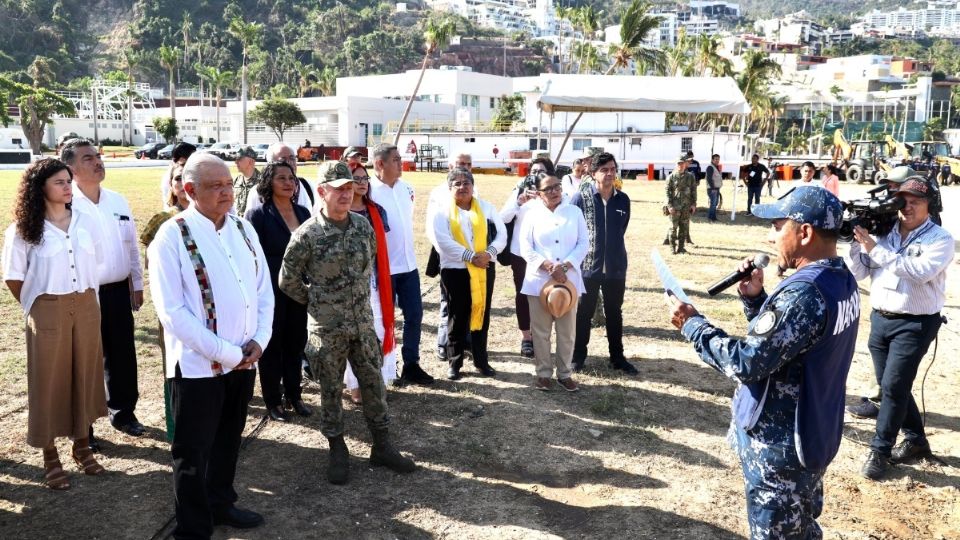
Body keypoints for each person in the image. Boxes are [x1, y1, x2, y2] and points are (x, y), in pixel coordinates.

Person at [667, 185, 860, 539]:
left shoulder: (804, 293)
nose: (771, 237)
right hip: (813, 433)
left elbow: (747, 362)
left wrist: (694, 326)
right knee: (800, 527)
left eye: (777, 226)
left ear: (804, 232)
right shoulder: (839, 278)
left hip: (782, 447)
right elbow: (795, 343)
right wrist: (757, 300)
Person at [148, 153, 274, 538]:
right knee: (192, 450)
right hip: (199, 368)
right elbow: (173, 313)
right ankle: (193, 525)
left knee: (227, 439)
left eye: (228, 184)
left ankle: (221, 502)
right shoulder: (171, 237)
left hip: (245, 359)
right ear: (189, 190)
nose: (226, 192)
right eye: (215, 186)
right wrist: (228, 353)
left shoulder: (241, 228)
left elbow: (262, 289)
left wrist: (258, 340)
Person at [280, 161, 417, 485]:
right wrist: (318, 302)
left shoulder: (362, 227)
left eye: (349, 187)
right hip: (327, 331)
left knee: (374, 386)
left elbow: (369, 266)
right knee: (330, 391)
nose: (346, 193)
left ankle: (382, 445)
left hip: (362, 326)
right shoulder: (307, 235)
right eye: (338, 188)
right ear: (322, 191)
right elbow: (288, 280)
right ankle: (337, 448)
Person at [2, 158, 107, 490]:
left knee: (85, 375)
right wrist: (38, 305)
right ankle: (49, 454)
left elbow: (98, 262)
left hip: (87, 304)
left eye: (68, 181)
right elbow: (14, 278)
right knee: (48, 380)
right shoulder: (22, 230)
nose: (67, 187)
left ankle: (82, 444)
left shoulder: (85, 221)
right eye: (59, 182)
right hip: (48, 307)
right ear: (40, 188)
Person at [846, 177, 955, 480]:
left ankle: (880, 450)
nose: (906, 207)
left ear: (929, 205)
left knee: (892, 387)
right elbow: (859, 272)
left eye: (915, 202)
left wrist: (872, 247)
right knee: (893, 383)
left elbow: (917, 273)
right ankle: (917, 441)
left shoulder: (940, 239)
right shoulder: (884, 233)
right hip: (880, 318)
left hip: (916, 323)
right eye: (902, 201)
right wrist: (856, 246)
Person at [62, 138, 145, 445]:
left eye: (98, 156)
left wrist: (136, 284)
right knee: (85, 360)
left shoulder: (118, 200)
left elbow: (131, 247)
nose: (98, 161)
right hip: (83, 295)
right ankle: (83, 427)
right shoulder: (66, 205)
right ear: (70, 168)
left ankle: (124, 413)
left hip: (118, 292)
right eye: (88, 158)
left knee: (122, 355)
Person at [244, 161, 312, 422]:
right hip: (270, 290)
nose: (288, 182)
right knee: (272, 346)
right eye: (281, 178)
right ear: (268, 183)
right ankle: (273, 401)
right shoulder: (258, 215)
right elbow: (253, 257)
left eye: (292, 178)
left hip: (299, 290)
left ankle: (294, 396)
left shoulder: (304, 213)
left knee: (296, 343)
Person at [368, 143, 434, 385]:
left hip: (408, 266)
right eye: (395, 159)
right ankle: (386, 367)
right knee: (385, 320)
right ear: (379, 164)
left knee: (414, 315)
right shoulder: (369, 191)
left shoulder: (407, 188)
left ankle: (411, 364)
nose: (401, 163)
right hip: (383, 268)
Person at [432, 168, 506, 380]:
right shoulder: (442, 211)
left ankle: (481, 361)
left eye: (467, 183)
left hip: (484, 268)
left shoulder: (486, 207)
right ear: (449, 188)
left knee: (481, 313)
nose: (463, 187)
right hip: (455, 270)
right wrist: (470, 256)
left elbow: (502, 234)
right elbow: (443, 241)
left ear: (473, 186)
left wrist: (489, 253)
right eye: (457, 183)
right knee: (457, 315)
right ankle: (454, 363)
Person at [520, 172, 588, 392]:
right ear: (539, 193)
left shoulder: (574, 212)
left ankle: (565, 373)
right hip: (539, 280)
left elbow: (583, 244)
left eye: (557, 186)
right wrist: (548, 266)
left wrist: (565, 266)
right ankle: (543, 373)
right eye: (548, 188)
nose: (554, 191)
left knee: (567, 331)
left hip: (569, 281)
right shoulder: (531, 214)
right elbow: (525, 246)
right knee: (540, 331)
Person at [570, 153, 636, 375]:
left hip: (616, 268)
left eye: (612, 169)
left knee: (614, 313)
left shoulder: (623, 199)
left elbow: (621, 229)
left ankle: (617, 357)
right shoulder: (581, 198)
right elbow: (574, 232)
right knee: (584, 314)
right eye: (604, 170)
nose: (609, 174)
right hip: (589, 267)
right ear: (593, 173)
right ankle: (577, 357)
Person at [141, 163, 190, 442]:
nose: (183, 183)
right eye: (178, 178)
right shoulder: (161, 220)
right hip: (172, 304)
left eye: (187, 177)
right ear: (171, 185)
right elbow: (151, 260)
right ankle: (177, 430)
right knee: (173, 364)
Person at [344, 163, 397, 404]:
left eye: (365, 178)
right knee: (353, 334)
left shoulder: (377, 211)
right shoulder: (339, 212)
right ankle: (355, 386)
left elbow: (381, 249)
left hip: (376, 280)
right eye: (356, 179)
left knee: (378, 329)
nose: (362, 182)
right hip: (349, 284)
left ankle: (377, 382)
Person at [500, 158, 553, 359]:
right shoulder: (520, 189)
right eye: (533, 171)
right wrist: (518, 201)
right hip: (521, 253)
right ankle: (527, 338)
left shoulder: (554, 191)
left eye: (542, 171)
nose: (536, 175)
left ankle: (543, 337)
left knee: (547, 295)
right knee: (523, 295)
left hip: (546, 254)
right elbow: (502, 217)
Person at [426, 154, 474, 361]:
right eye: (460, 164)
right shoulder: (439, 192)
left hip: (473, 259)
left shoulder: (473, 187)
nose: (464, 167)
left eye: (468, 164)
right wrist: (443, 252)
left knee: (470, 302)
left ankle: (466, 342)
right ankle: (444, 343)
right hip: (449, 257)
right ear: (450, 165)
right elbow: (431, 227)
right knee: (448, 304)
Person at [246, 143, 315, 215]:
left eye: (292, 158)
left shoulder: (308, 187)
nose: (289, 163)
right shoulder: (257, 193)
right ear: (271, 164)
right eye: (283, 160)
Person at [665, 154, 697, 255]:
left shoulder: (690, 177)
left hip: (686, 207)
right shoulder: (671, 177)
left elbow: (693, 190)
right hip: (675, 207)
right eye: (679, 163)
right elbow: (667, 192)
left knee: (683, 228)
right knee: (673, 228)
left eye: (682, 163)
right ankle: (672, 248)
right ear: (676, 164)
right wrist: (669, 206)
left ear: (685, 164)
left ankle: (681, 248)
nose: (681, 165)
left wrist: (693, 204)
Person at [232, 146, 260, 214]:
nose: (236, 162)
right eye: (236, 159)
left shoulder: (263, 181)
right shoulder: (237, 180)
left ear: (251, 161)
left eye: (239, 159)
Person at [705, 154, 723, 222]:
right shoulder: (710, 167)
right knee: (713, 204)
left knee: (715, 204)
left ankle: (714, 217)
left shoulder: (716, 167)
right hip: (712, 189)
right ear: (712, 160)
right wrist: (713, 188)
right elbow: (709, 179)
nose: (717, 160)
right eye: (716, 159)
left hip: (716, 188)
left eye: (718, 159)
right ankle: (710, 218)